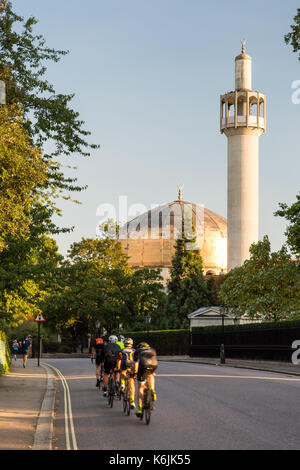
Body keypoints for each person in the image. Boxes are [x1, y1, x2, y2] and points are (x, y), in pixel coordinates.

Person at [134, 342, 158, 418]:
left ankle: (140, 409)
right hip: (153, 364)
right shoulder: (152, 349)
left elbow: (136, 363)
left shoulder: (138, 350)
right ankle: (152, 389)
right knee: (151, 376)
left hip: (143, 365)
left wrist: (135, 372)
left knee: (141, 386)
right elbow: (154, 359)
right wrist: (153, 372)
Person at [117, 338, 136, 409]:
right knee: (132, 383)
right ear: (131, 344)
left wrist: (118, 368)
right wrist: (136, 371)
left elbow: (119, 361)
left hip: (124, 364)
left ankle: (122, 384)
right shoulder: (134, 351)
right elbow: (136, 361)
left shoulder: (121, 351)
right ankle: (132, 401)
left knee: (123, 372)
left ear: (124, 344)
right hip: (131, 364)